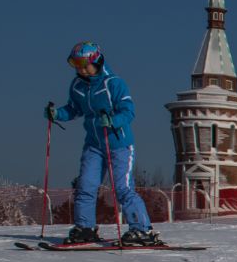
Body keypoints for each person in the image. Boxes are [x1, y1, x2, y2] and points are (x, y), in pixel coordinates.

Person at [46, 41, 161, 246]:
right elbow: (74, 109)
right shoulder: (77, 85)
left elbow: (128, 111)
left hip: (119, 144)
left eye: (84, 65)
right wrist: (57, 114)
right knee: (86, 186)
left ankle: (142, 229)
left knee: (122, 188)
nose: (81, 70)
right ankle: (85, 228)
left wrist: (112, 120)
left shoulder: (113, 83)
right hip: (94, 145)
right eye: (76, 65)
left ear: (96, 61)